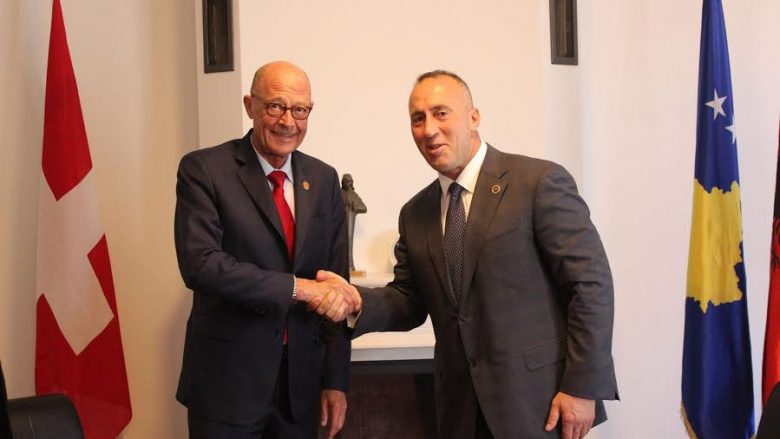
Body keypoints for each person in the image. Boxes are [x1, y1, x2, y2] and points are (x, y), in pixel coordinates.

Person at [320, 70, 618, 438]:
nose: (429, 129)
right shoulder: (415, 213)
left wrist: (582, 387)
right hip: (460, 411)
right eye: (418, 119)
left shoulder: (537, 182)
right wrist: (356, 302)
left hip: (537, 405)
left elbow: (590, 285)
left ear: (473, 116)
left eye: (441, 113)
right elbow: (409, 301)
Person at [174, 60, 360, 439]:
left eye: (300, 110)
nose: (288, 121)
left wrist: (335, 380)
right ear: (250, 106)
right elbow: (201, 265)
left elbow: (335, 284)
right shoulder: (205, 170)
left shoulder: (323, 179)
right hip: (227, 386)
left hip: (301, 389)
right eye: (276, 106)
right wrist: (297, 288)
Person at [340, 174, 367, 273]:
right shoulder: (339, 193)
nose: (348, 183)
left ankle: (350, 265)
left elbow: (363, 208)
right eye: (346, 181)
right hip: (339, 223)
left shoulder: (354, 195)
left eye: (350, 181)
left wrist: (355, 207)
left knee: (349, 242)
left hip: (351, 220)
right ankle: (344, 266)